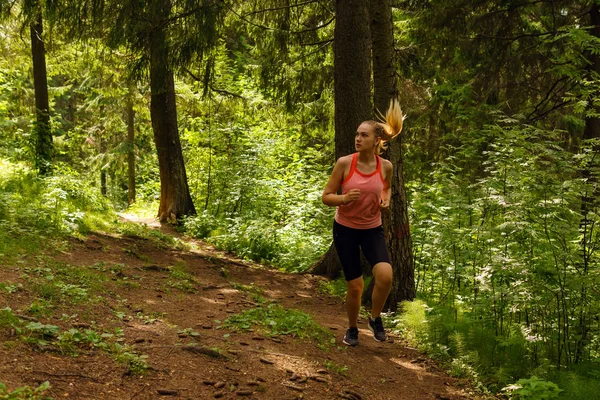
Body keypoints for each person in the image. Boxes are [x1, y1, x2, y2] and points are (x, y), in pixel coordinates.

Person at [321, 99, 403, 347]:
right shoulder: (346, 163)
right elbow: (326, 197)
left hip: (371, 229)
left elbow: (386, 188)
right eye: (357, 134)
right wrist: (344, 198)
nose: (358, 138)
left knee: (385, 276)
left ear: (377, 140)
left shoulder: (385, 167)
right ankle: (352, 328)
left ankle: (375, 318)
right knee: (355, 286)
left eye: (364, 135)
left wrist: (385, 199)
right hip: (345, 230)